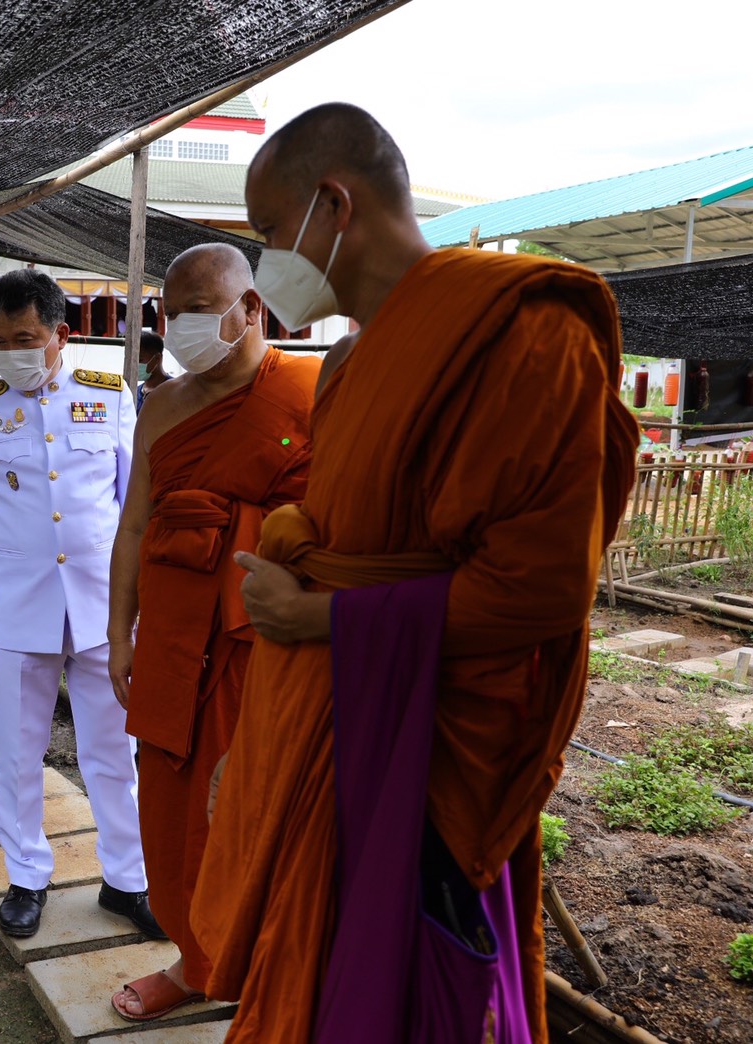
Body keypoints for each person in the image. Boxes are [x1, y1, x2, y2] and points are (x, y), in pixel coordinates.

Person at [189, 103, 638, 1043]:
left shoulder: (524, 332)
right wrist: (298, 536)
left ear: (332, 204)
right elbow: (362, 520)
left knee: (407, 981)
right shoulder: (350, 362)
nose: (268, 259)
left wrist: (320, 619)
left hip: (433, 735)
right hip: (335, 713)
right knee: (320, 966)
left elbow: (540, 587)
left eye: (269, 231)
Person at [106, 245, 318, 1022]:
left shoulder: (314, 390)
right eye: (170, 313)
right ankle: (195, 963)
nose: (182, 327)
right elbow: (134, 527)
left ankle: (264, 974)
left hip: (260, 645)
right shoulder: (159, 406)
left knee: (249, 816)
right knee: (166, 817)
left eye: (198, 309)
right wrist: (117, 633)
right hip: (167, 639)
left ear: (252, 308)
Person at [0, 269, 155, 941]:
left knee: (113, 751)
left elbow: (133, 508)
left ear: (61, 334)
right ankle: (26, 876)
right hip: (20, 610)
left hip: (101, 610)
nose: (11, 352)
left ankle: (127, 879)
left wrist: (137, 611)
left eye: (23, 338)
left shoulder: (109, 396)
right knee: (22, 753)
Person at [135, 332, 170, 412]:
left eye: (140, 360)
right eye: (133, 360)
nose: (135, 364)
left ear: (157, 358)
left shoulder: (174, 390)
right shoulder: (135, 392)